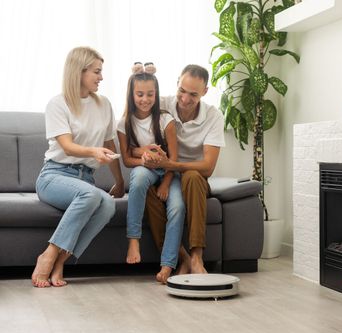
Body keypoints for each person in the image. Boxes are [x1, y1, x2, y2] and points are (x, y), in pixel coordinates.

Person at [32, 46, 125, 288]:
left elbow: (108, 143)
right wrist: (93, 152)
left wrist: (120, 180)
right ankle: (49, 254)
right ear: (79, 71)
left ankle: (61, 261)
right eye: (97, 71)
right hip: (54, 176)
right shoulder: (58, 104)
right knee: (91, 194)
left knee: (107, 206)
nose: (101, 77)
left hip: (87, 180)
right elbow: (67, 146)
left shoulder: (103, 104)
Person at [143, 64, 225, 275]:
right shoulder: (162, 104)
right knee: (150, 191)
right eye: (182, 91)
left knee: (192, 177)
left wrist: (173, 165)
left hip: (194, 178)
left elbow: (207, 167)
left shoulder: (214, 116)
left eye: (193, 94)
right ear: (177, 82)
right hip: (164, 174)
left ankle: (197, 257)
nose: (186, 99)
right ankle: (183, 258)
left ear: (205, 92)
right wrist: (141, 76)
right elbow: (130, 112)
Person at [117, 66, 185, 283]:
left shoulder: (166, 120)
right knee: (137, 179)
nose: (145, 99)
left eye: (150, 94)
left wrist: (165, 184)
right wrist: (145, 160)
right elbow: (127, 160)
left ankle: (168, 264)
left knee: (177, 207)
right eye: (139, 94)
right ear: (131, 95)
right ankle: (133, 239)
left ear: (156, 94)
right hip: (144, 169)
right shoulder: (124, 123)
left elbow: (174, 160)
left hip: (168, 172)